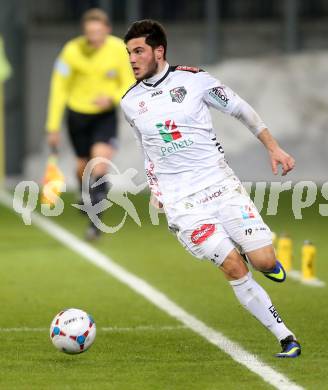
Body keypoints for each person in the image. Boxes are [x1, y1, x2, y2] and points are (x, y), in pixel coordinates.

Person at [120, 19, 301, 358]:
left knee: (263, 261)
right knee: (233, 266)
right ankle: (286, 337)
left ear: (159, 52)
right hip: (182, 202)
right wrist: (156, 189)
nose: (132, 59)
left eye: (138, 51)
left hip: (219, 185)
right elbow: (147, 149)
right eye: (129, 52)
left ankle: (258, 255)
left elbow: (241, 110)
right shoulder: (130, 102)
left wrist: (273, 147)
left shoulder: (195, 80)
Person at [45, 8, 135, 240]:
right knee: (82, 167)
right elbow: (59, 88)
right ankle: (85, 193)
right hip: (77, 116)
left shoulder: (118, 50)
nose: (94, 37)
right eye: (89, 33)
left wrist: (112, 99)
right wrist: (52, 126)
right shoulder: (72, 51)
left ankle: (96, 223)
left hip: (104, 116)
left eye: (98, 32)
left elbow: (128, 82)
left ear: (107, 29)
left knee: (99, 165)